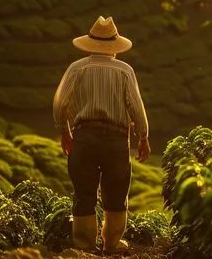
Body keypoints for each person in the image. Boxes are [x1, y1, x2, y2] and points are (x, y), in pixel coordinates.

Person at [53, 16, 151, 255]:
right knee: (117, 192)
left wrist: (64, 132)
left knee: (84, 192)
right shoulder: (125, 71)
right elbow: (136, 107)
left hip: (84, 137)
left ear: (90, 44)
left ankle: (85, 246)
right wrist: (143, 137)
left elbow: (59, 104)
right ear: (115, 48)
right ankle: (112, 244)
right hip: (117, 139)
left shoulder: (76, 68)